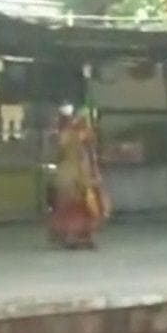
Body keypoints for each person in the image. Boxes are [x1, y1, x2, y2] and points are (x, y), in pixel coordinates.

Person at [45, 103, 108, 250]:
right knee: (70, 204)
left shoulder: (82, 134)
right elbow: (58, 151)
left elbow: (91, 152)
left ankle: (84, 235)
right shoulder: (66, 134)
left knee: (85, 205)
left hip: (82, 172)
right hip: (71, 173)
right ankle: (71, 235)